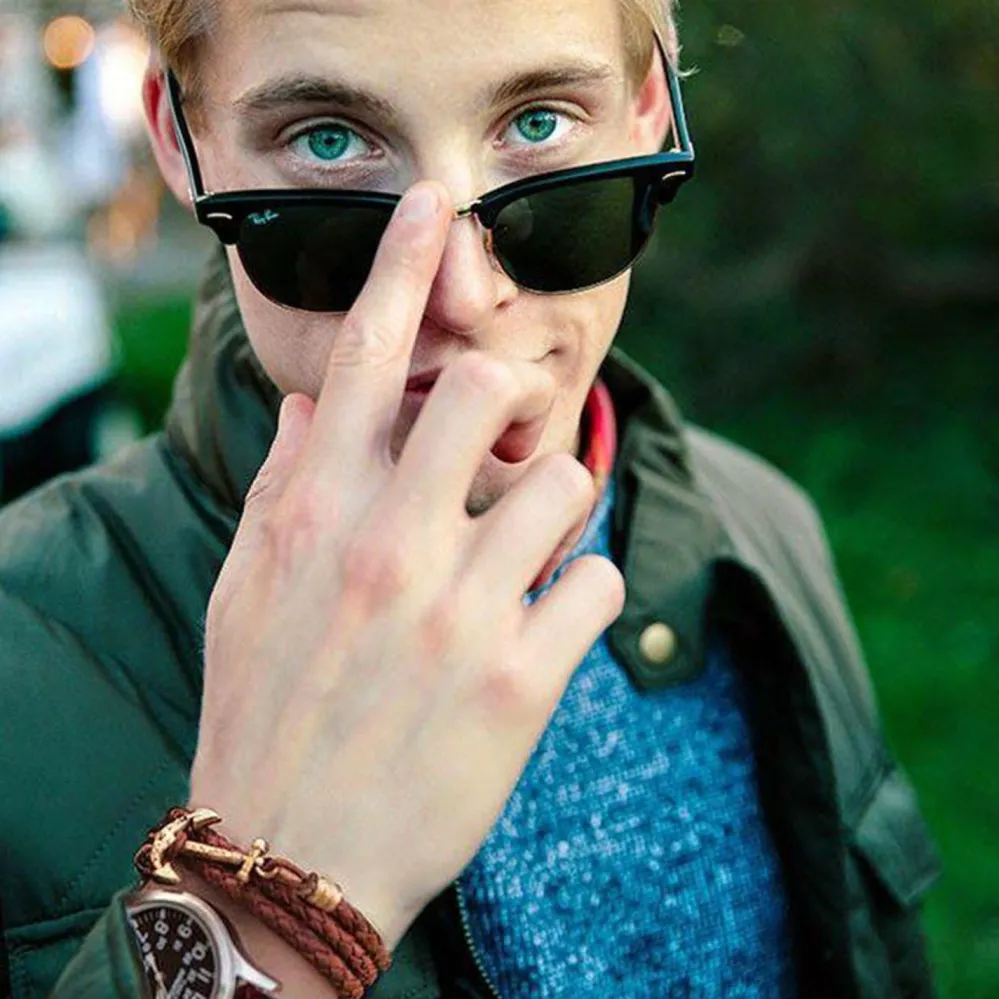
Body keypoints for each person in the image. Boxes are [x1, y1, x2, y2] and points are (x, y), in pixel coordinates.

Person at [0, 1, 941, 997]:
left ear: (647, 114)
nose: (459, 294)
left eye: (539, 122)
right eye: (328, 142)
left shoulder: (765, 529)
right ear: (179, 144)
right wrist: (250, 928)